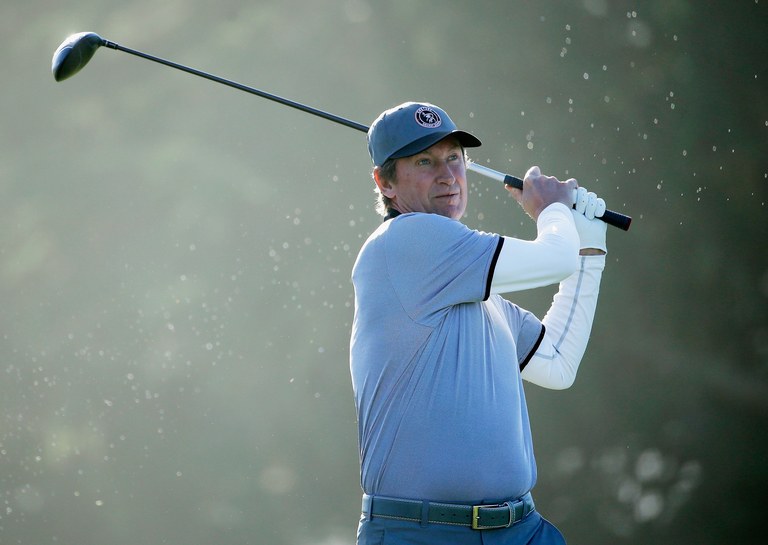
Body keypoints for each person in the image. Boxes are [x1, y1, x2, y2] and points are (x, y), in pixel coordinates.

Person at [349, 102, 607, 544]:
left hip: (522, 530)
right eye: (424, 162)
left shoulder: (478, 294)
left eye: (454, 158)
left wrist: (589, 251)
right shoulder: (406, 241)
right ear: (385, 183)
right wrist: (552, 210)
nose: (448, 176)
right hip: (423, 532)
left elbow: (557, 363)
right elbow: (553, 256)